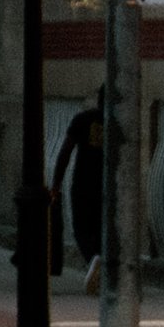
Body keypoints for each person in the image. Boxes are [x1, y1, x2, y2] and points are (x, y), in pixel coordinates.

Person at [53, 99, 104, 289]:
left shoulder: (83, 119)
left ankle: (93, 257)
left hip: (84, 181)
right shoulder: (118, 121)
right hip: (108, 185)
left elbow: (66, 150)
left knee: (81, 227)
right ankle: (99, 261)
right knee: (101, 227)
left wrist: (56, 183)